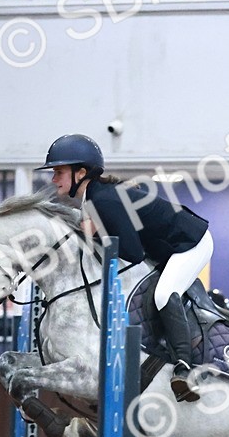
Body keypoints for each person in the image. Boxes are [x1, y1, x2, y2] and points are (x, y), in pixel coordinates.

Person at [40, 133, 212, 402]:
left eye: (59, 172)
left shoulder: (103, 201)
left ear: (81, 173)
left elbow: (133, 253)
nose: (53, 179)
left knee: (164, 294)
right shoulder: (93, 199)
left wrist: (94, 234)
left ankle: (184, 369)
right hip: (166, 246)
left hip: (191, 242)